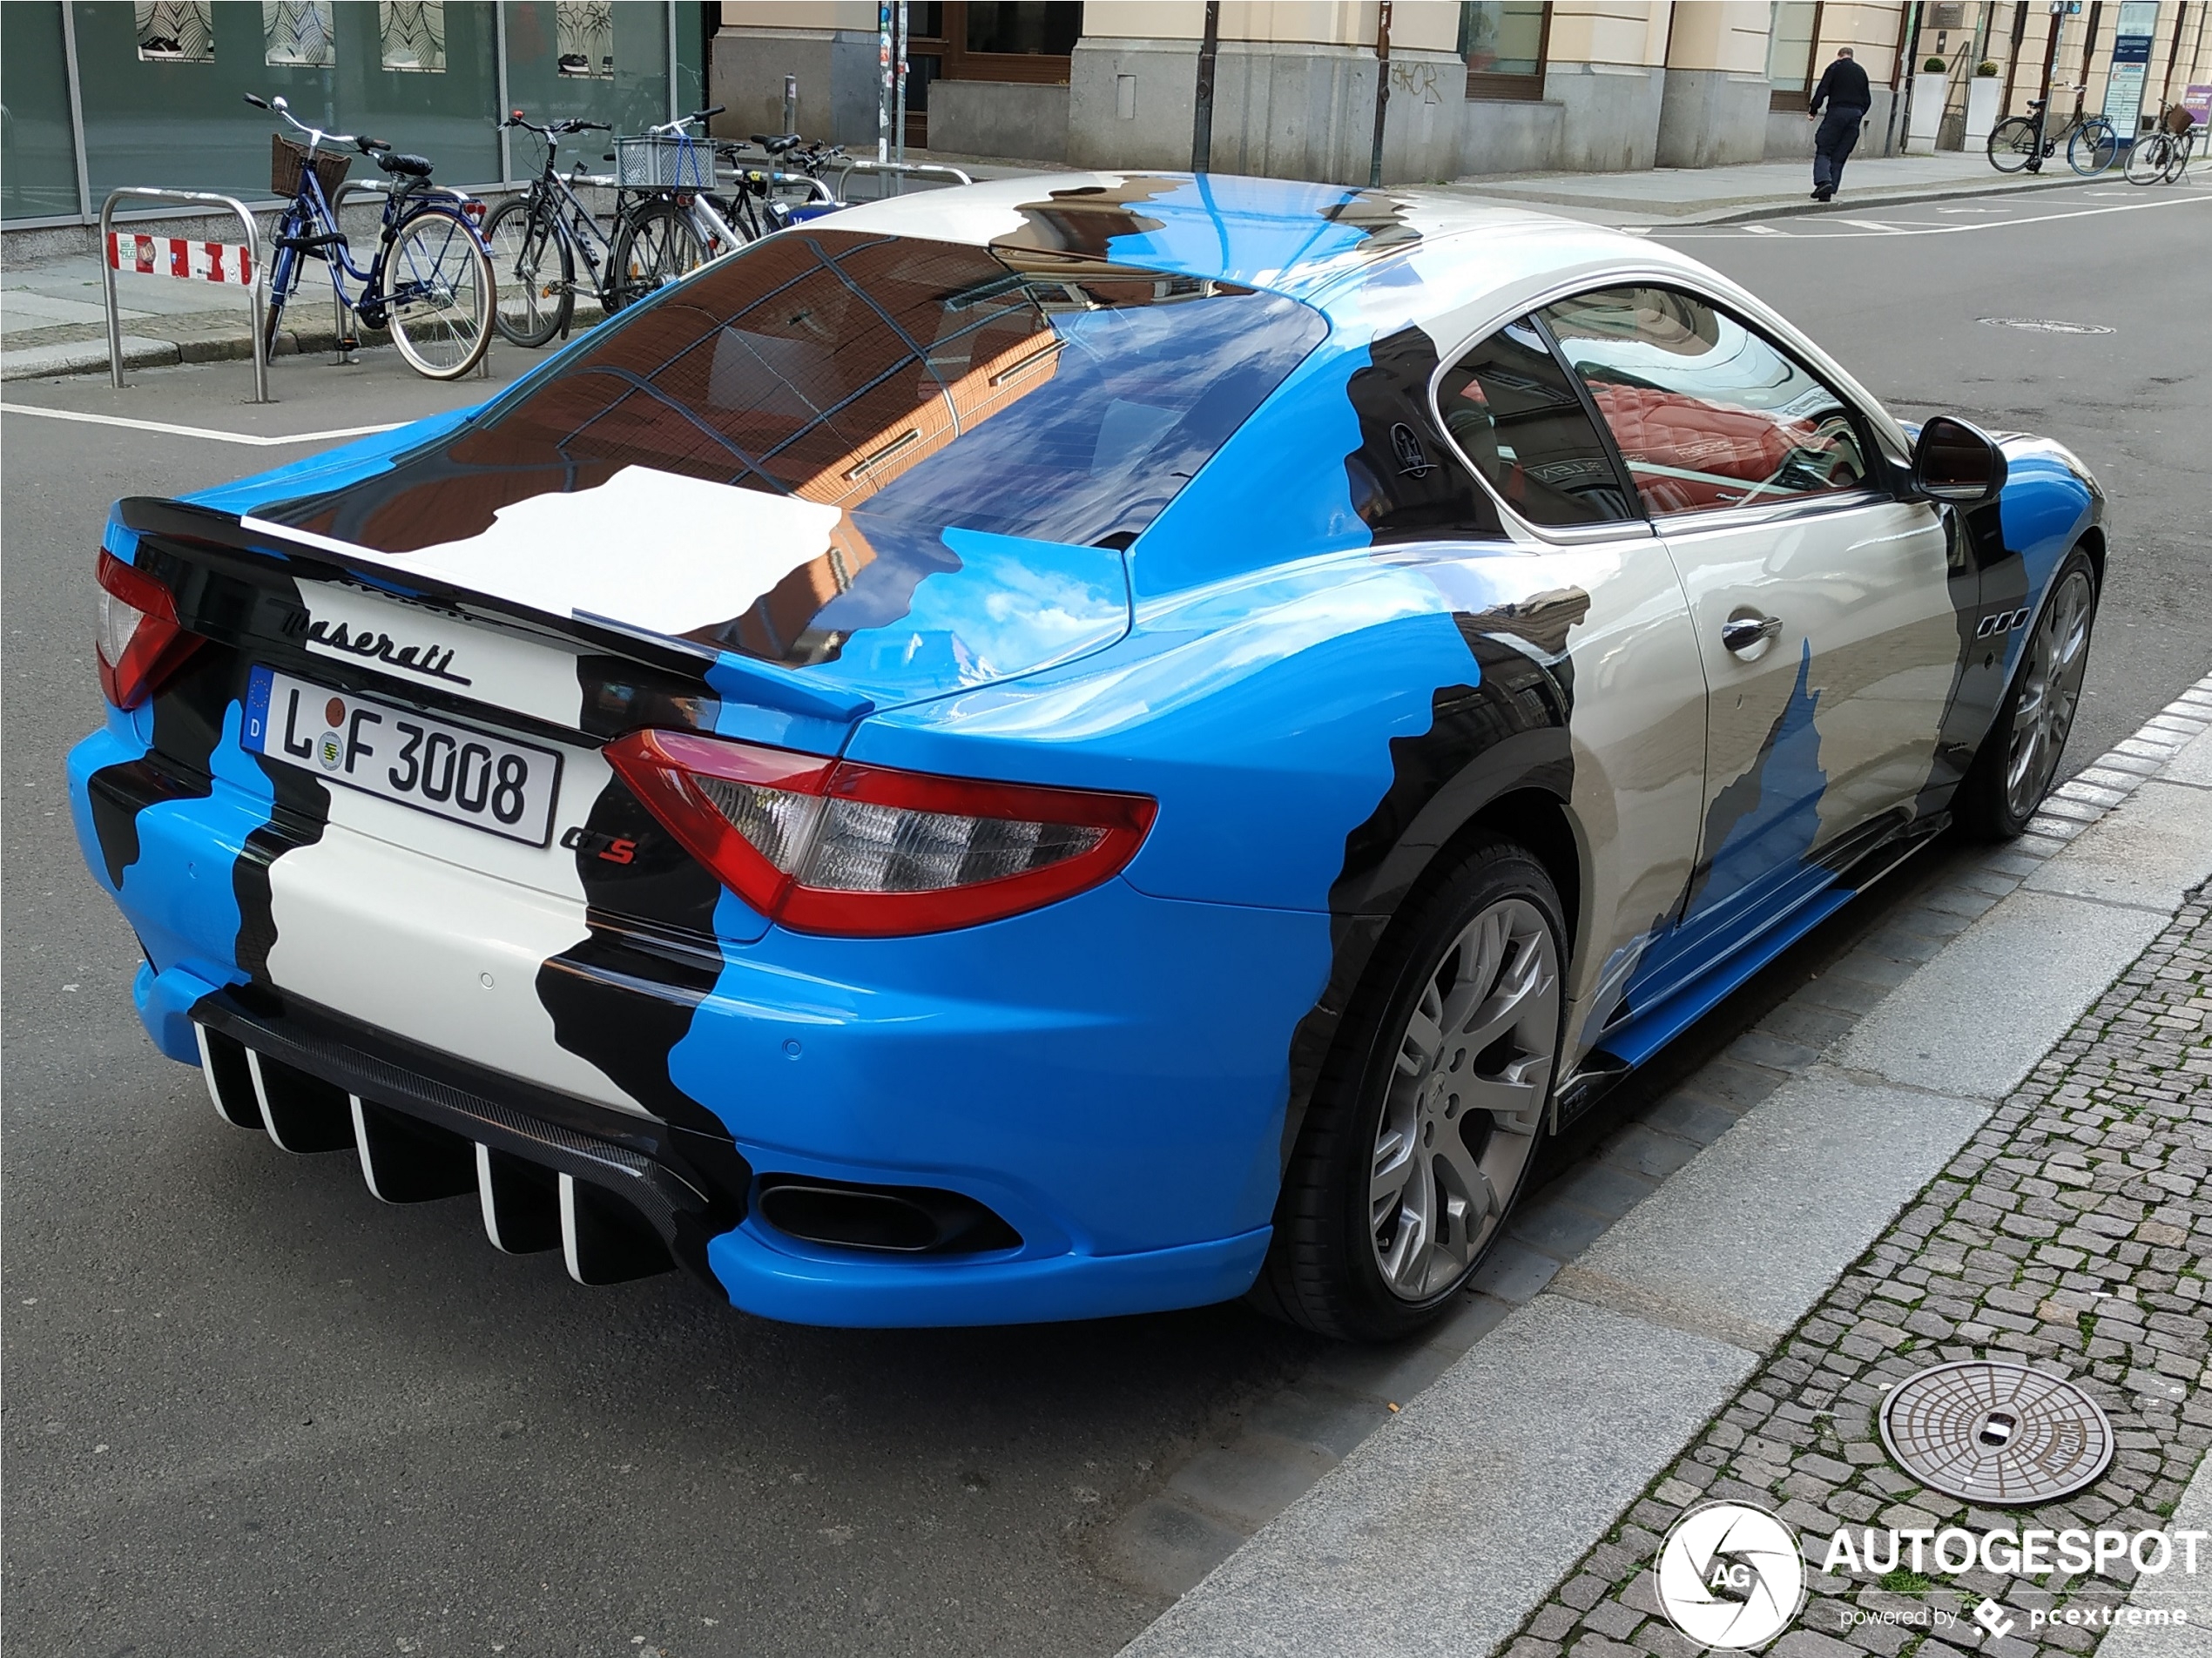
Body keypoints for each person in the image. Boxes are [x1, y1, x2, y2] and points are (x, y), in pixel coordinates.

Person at [1807, 46, 1872, 201]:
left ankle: (1823, 181)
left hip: (1837, 112)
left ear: (1839, 56)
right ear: (1851, 56)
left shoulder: (1834, 68)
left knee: (1824, 148)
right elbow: (1867, 99)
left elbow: (1822, 90)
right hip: (1855, 115)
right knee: (1840, 154)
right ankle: (1829, 190)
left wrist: (1813, 110)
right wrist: (1859, 113)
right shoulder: (1861, 71)